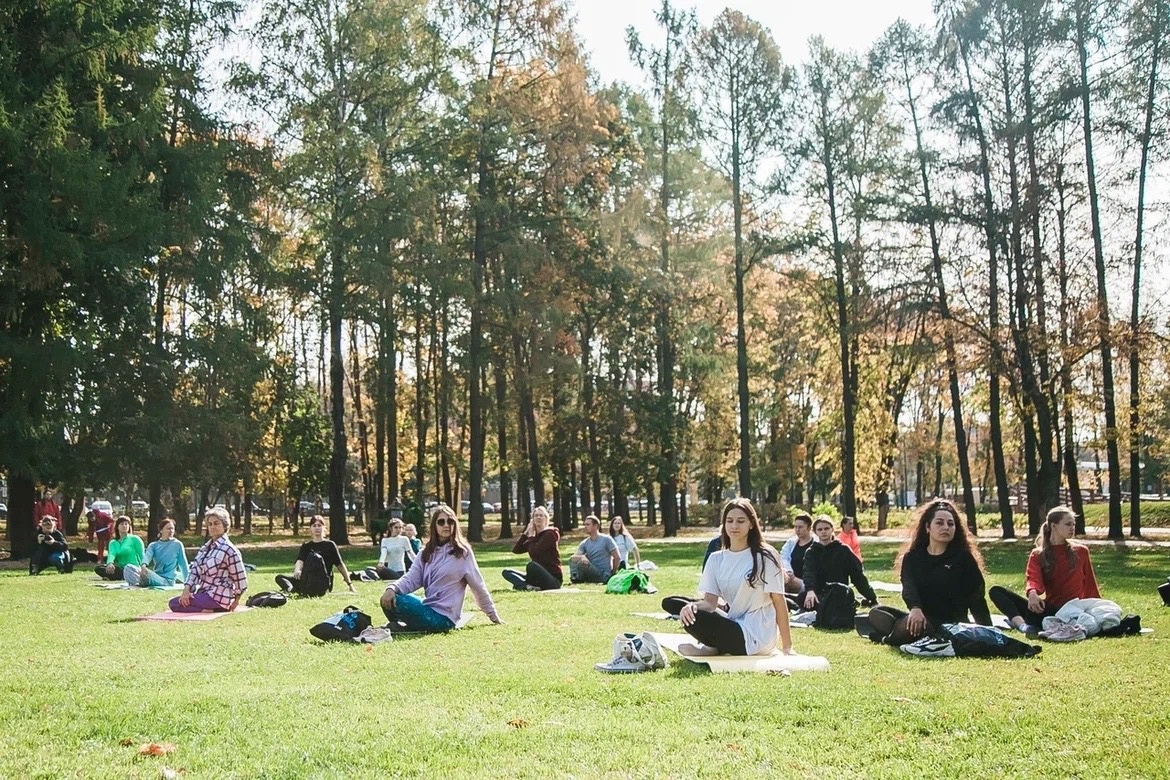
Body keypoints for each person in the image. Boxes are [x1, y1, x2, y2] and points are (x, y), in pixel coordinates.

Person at [677, 498, 795, 657]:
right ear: (723, 524)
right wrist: (692, 607)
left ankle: (712, 647)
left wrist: (787, 647)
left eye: (740, 521)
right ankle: (713, 646)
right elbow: (710, 604)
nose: (734, 526)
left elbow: (779, 601)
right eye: (729, 521)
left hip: (757, 634)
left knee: (702, 621)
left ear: (751, 524)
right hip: (733, 622)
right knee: (691, 614)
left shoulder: (765, 555)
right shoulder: (716, 559)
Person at [867, 499, 992, 646]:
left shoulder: (963, 558)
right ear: (927, 527)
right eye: (939, 523)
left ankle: (887, 638)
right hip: (921, 616)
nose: (946, 527)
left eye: (950, 524)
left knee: (911, 626)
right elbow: (909, 588)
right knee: (877, 612)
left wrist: (988, 630)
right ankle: (907, 632)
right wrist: (915, 608)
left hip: (951, 624)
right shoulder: (912, 557)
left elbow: (976, 597)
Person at [379, 504, 502, 633]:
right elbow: (411, 578)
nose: (446, 525)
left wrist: (493, 616)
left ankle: (403, 627)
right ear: (434, 526)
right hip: (428, 607)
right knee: (388, 597)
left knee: (399, 600)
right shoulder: (425, 553)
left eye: (450, 522)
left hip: (445, 617)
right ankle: (402, 626)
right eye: (441, 522)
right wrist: (392, 588)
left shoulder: (462, 553)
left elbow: (478, 586)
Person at [989, 505, 1101, 633]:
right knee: (996, 591)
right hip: (1049, 611)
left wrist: (1099, 610)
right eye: (1068, 524)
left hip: (1074, 612)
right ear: (1054, 526)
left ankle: (1026, 624)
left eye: (1073, 524)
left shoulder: (1081, 551)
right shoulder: (1038, 554)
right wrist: (1032, 593)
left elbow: (1090, 586)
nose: (1072, 528)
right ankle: (1023, 626)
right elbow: (1033, 578)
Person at [169, 507, 248, 612]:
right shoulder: (205, 549)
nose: (213, 527)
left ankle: (213, 609)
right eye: (210, 524)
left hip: (219, 596)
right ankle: (208, 609)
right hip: (204, 594)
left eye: (216, 523)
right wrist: (186, 590)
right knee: (175, 602)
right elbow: (194, 571)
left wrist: (236, 601)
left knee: (175, 603)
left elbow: (240, 579)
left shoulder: (229, 550)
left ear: (225, 526)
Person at [800, 515, 878, 612]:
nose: (823, 531)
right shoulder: (811, 552)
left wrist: (871, 597)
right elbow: (809, 573)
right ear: (815, 532)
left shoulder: (843, 550)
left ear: (832, 529)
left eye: (826, 528)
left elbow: (858, 576)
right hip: (819, 593)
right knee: (803, 599)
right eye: (820, 529)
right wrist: (810, 590)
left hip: (839, 592)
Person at [275, 515, 356, 595]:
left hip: (322, 582)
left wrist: (350, 584)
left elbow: (340, 565)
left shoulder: (330, 545)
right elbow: (300, 561)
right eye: (314, 526)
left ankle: (294, 590)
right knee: (279, 578)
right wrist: (297, 570)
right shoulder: (306, 546)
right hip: (307, 580)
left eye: (319, 525)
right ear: (310, 528)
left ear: (324, 528)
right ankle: (290, 590)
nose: (317, 528)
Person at [501, 506, 562, 591]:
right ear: (532, 519)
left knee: (531, 565)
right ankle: (527, 587)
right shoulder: (533, 538)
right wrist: (525, 534)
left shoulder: (550, 534)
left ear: (546, 519)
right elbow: (516, 550)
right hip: (536, 577)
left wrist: (531, 536)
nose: (538, 517)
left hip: (552, 579)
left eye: (541, 515)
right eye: (536, 515)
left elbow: (536, 551)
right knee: (507, 572)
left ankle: (522, 585)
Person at [124, 519, 189, 587]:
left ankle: (139, 581)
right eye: (168, 529)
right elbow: (147, 556)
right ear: (161, 530)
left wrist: (188, 583)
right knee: (128, 568)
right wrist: (143, 566)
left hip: (167, 581)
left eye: (172, 528)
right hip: (155, 577)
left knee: (146, 574)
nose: (171, 531)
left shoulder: (177, 544)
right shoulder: (153, 545)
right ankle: (140, 581)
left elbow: (183, 564)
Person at [569, 515, 620, 584]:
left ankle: (578, 579)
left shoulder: (606, 539)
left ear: (596, 526)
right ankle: (575, 578)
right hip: (591, 571)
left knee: (582, 563)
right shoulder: (585, 543)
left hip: (603, 574)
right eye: (585, 524)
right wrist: (582, 557)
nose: (585, 527)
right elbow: (574, 558)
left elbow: (617, 557)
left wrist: (613, 573)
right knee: (572, 559)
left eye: (588, 524)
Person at [95, 516, 144, 580]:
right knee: (99, 568)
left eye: (126, 524)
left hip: (133, 569)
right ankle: (120, 576)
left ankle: (123, 576)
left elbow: (142, 555)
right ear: (117, 527)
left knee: (128, 570)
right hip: (121, 568)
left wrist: (143, 568)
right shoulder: (113, 542)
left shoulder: (135, 539)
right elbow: (111, 554)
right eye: (122, 524)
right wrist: (110, 563)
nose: (124, 526)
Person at [779, 512, 815, 594]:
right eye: (795, 527)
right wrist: (789, 572)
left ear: (809, 528)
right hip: (791, 578)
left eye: (801, 527)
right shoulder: (791, 543)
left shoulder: (815, 544)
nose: (797, 530)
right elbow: (783, 557)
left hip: (807, 583)